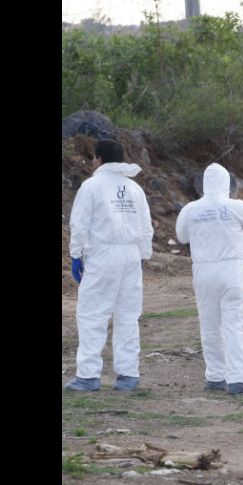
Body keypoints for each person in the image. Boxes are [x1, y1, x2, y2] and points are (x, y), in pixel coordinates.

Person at [65, 139, 154, 392]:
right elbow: (146, 226)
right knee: (127, 315)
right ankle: (128, 375)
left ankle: (88, 376)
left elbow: (79, 224)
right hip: (131, 256)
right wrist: (143, 256)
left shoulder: (91, 186)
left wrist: (76, 255)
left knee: (93, 314)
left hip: (103, 254)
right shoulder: (134, 188)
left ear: (99, 159)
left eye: (94, 157)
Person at [175, 163, 243, 396]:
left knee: (210, 326)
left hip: (203, 273)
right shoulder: (236, 206)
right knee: (233, 326)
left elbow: (181, 236)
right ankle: (238, 380)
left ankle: (215, 376)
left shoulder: (191, 209)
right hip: (231, 272)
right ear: (227, 184)